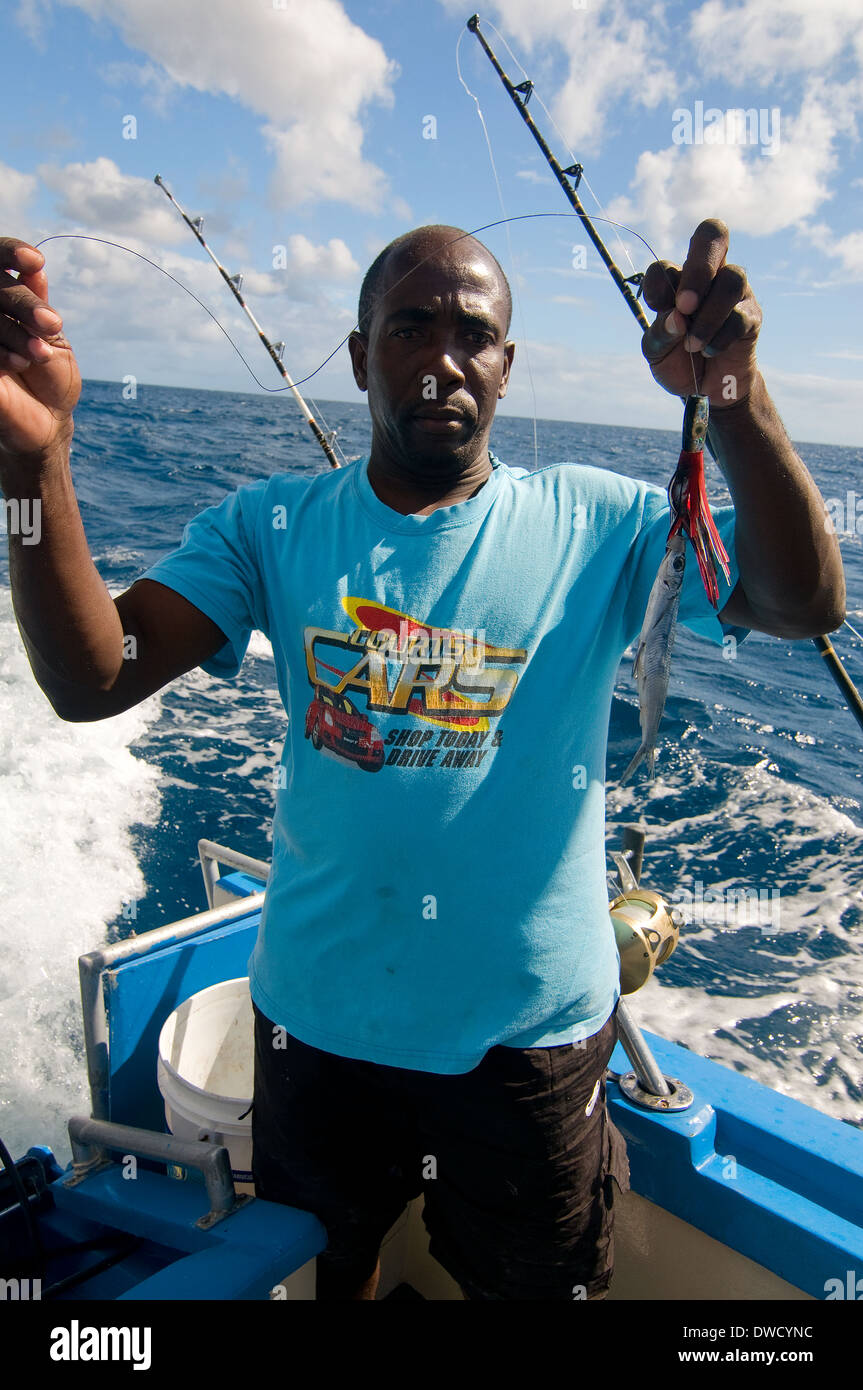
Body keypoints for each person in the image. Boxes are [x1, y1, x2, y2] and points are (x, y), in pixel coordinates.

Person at [0, 220, 844, 1300]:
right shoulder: (268, 526)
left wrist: (729, 396)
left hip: (530, 1048)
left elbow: (797, 600)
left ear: (504, 368)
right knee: (323, 1275)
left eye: (473, 334)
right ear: (360, 357)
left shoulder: (604, 521)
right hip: (315, 1028)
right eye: (409, 327)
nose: (442, 356)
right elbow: (93, 676)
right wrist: (35, 462)